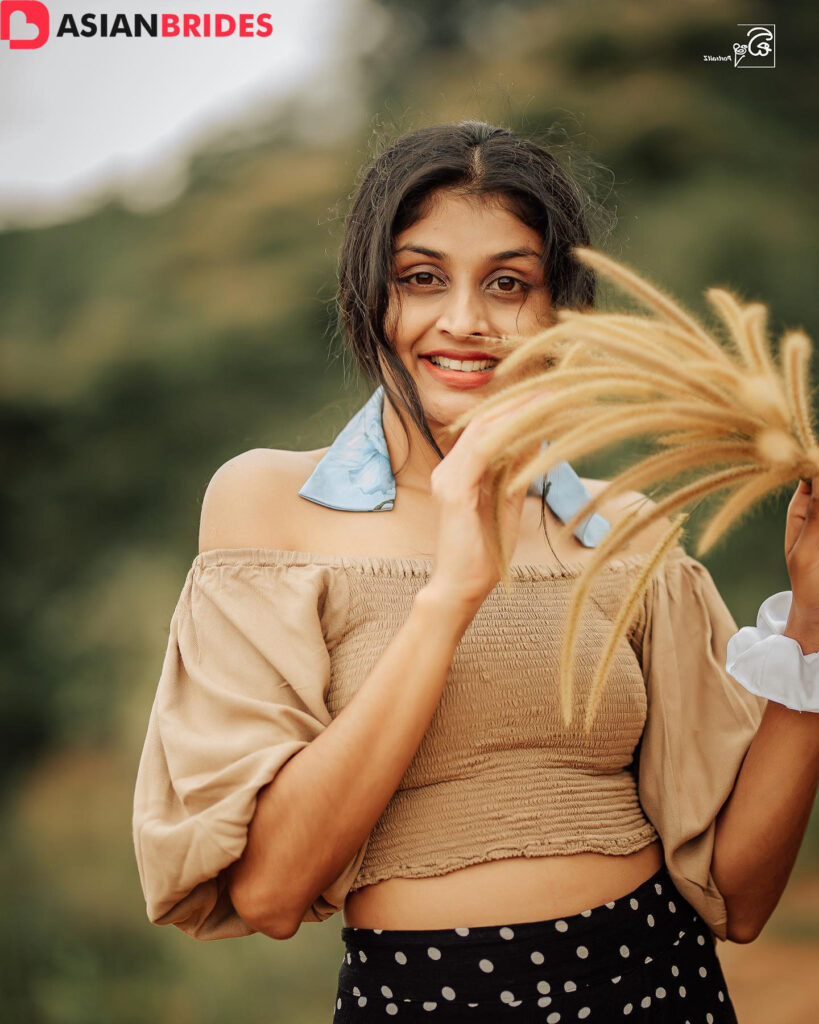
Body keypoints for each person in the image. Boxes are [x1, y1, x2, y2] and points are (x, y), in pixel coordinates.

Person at [133, 121, 817, 1022]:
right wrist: (449, 594)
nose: (464, 320)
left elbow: (740, 895)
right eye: (422, 278)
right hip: (427, 1001)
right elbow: (267, 892)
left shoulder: (625, 526)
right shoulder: (266, 506)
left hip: (663, 988)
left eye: (508, 283)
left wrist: (810, 619)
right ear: (370, 298)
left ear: (557, 311)